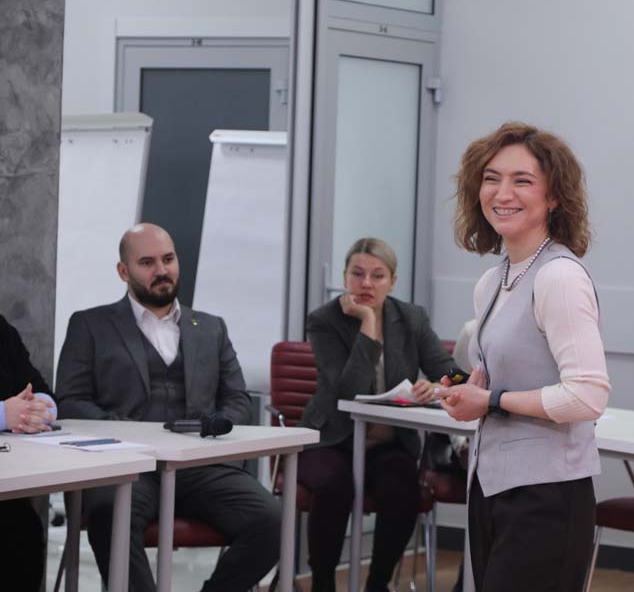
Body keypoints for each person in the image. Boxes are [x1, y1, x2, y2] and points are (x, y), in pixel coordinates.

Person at [55, 223, 280, 592]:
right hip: (126, 467)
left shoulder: (212, 328)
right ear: (123, 271)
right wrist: (125, 434)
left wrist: (215, 429)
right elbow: (70, 401)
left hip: (202, 466)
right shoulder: (89, 325)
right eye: (147, 262)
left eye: (168, 259)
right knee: (111, 516)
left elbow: (237, 399)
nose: (161, 270)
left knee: (273, 519)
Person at [438, 121, 611, 591]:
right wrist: (467, 394)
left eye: (522, 180)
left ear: (553, 197)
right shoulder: (492, 282)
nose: (502, 193)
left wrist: (492, 401)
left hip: (547, 497)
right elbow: (505, 379)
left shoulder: (560, 277)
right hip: (491, 486)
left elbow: (587, 396)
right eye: (491, 178)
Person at [298, 237, 456, 592]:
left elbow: (453, 373)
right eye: (357, 274)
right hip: (332, 439)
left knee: (403, 487)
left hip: (389, 442)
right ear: (345, 277)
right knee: (335, 486)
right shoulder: (324, 320)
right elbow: (348, 390)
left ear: (393, 281)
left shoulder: (411, 318)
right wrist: (368, 321)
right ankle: (322, 583)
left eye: (377, 275)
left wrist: (436, 386)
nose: (366, 283)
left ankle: (378, 583)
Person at [0, 313, 59, 591]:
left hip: (7, 485)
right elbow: (8, 413)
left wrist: (38, 411)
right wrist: (3, 414)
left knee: (24, 531)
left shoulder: (1, 330)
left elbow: (42, 391)